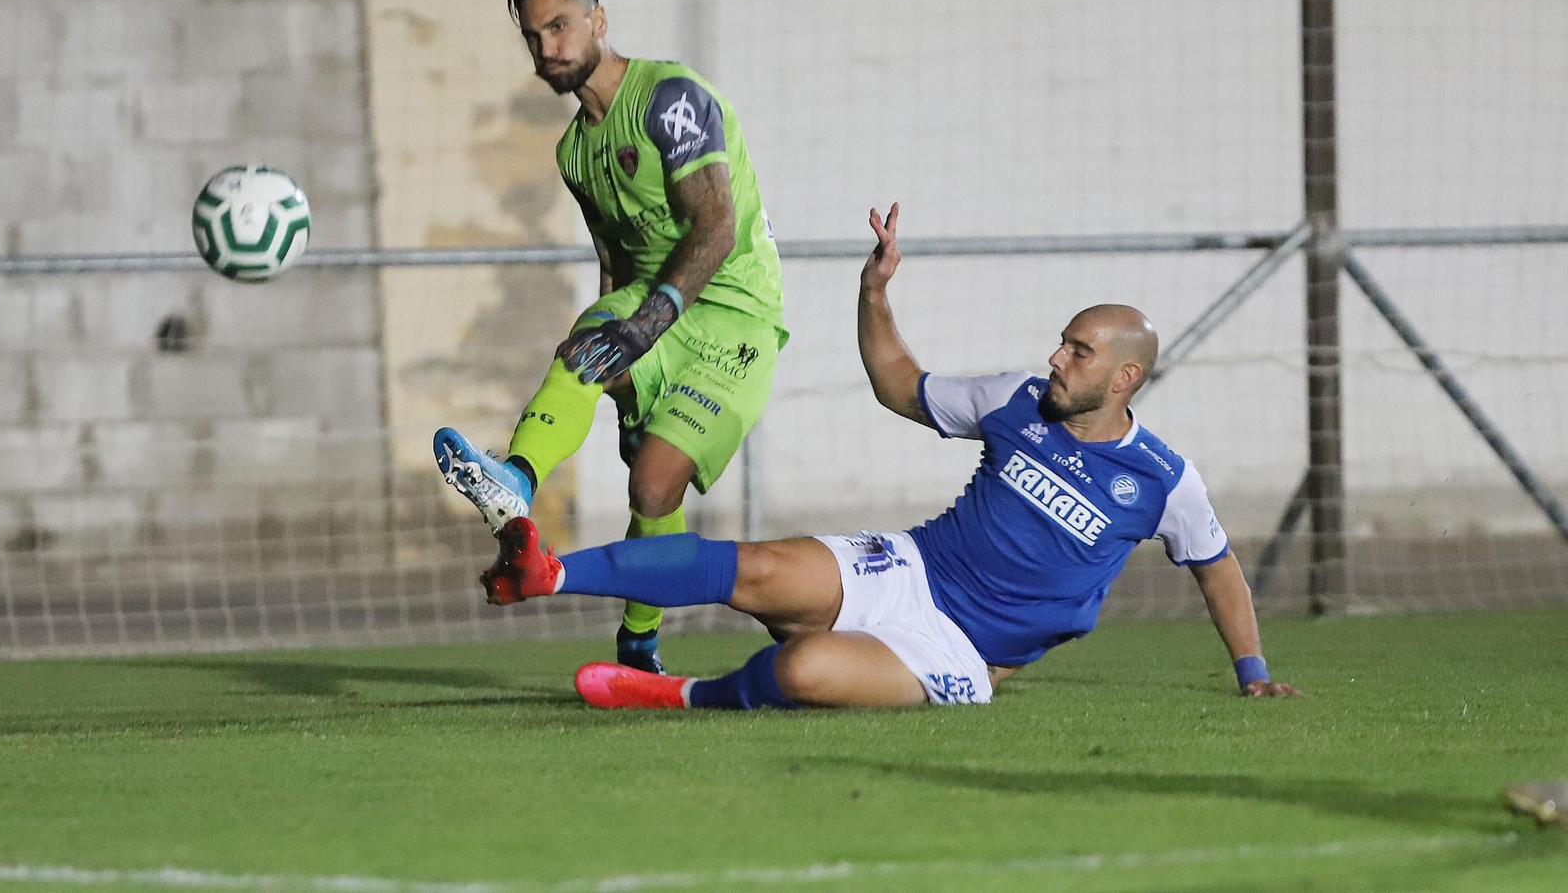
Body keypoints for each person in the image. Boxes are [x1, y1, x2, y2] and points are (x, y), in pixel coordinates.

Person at [451, 203, 1300, 709]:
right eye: (1061, 342)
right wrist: (874, 292)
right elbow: (900, 383)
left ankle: (681, 694)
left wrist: (1252, 671)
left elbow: (1218, 567)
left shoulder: (1163, 479)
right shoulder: (1016, 398)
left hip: (961, 651)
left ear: (1124, 378)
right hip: (907, 565)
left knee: (804, 667)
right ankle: (548, 574)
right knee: (756, 567)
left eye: (1078, 351)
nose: (1056, 358)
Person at [434, 0, 787, 675]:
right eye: (534, 36)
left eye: (560, 26)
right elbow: (615, 266)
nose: (548, 48)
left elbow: (717, 226)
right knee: (585, 344)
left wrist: (645, 326)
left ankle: (639, 644)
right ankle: (516, 481)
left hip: (735, 313)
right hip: (651, 304)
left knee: (653, 486)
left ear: (599, 20)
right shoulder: (575, 151)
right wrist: (622, 383)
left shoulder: (669, 98)